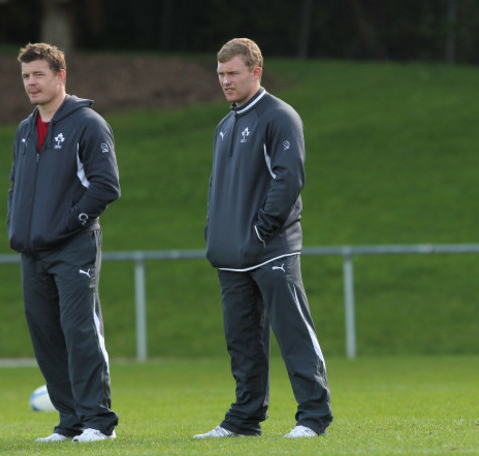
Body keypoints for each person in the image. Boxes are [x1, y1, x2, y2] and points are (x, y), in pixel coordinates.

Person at [195, 38, 333, 439]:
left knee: (293, 334)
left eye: (233, 73)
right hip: (231, 255)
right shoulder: (225, 125)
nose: (225, 81)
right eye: (220, 74)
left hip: (271, 249)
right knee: (242, 344)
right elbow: (216, 188)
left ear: (256, 72)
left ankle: (313, 417)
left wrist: (260, 230)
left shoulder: (280, 117)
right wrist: (214, 233)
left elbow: (289, 179)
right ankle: (243, 420)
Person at [7, 42, 120, 443]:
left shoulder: (87, 123)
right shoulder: (24, 130)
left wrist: (68, 224)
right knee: (46, 337)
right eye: (25, 76)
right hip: (32, 252)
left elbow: (106, 187)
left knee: (80, 331)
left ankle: (98, 422)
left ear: (60, 76)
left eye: (38, 74)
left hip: (73, 247)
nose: (31, 83)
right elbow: (16, 186)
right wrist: (16, 227)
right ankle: (70, 422)